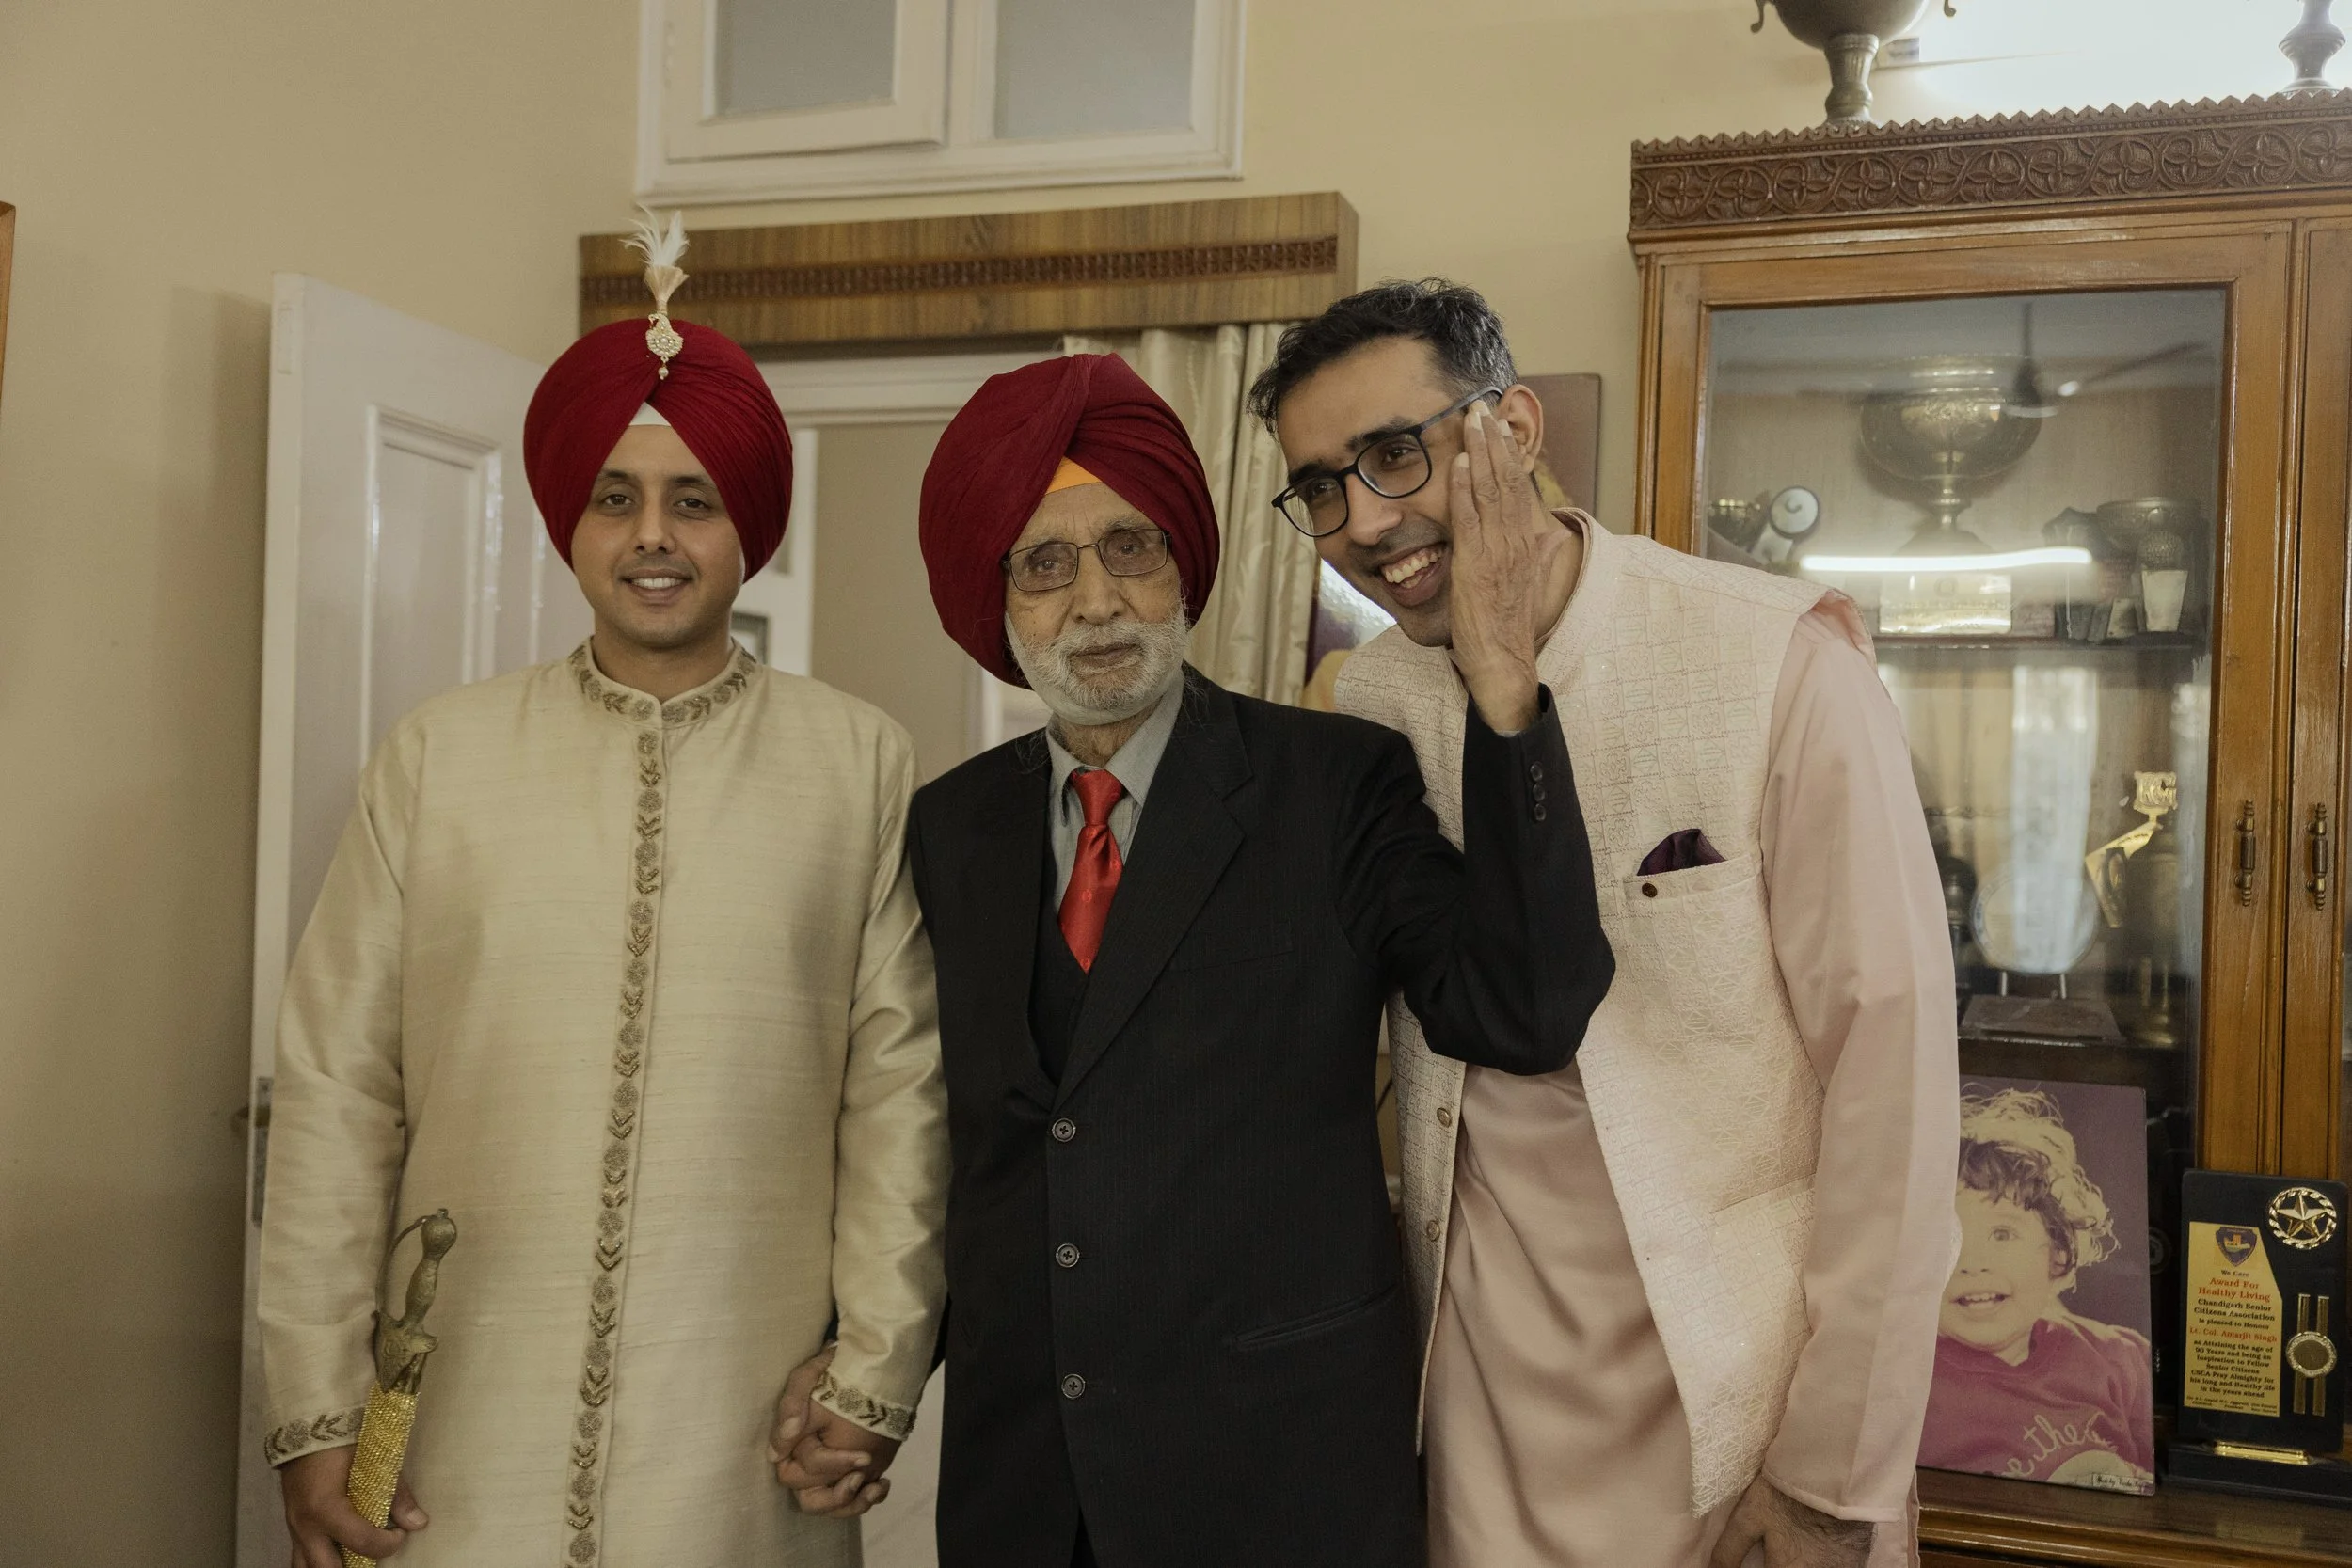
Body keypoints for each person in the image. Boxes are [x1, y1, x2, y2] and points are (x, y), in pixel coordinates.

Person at [769, 351, 1612, 1568]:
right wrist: (866, 1372)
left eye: (1131, 546)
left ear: (1186, 566)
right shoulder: (949, 828)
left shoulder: (1336, 784)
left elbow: (1525, 1010)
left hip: (1279, 1479)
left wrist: (1505, 695)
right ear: (995, 600)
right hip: (1022, 1488)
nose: (1097, 601)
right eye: (1045, 564)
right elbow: (950, 1144)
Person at [257, 228, 947, 1568]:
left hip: (739, 1414)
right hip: (450, 1412)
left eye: (694, 498)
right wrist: (313, 1406)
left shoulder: (855, 759)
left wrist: (874, 1367)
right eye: (615, 497)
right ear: (567, 516)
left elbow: (899, 1090)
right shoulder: (438, 755)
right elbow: (338, 1088)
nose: (652, 538)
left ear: (748, 519)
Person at [1250, 280, 1960, 1568]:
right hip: (1477, 1404)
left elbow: (1895, 1099)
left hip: (1744, 1402)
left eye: (1395, 453)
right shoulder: (1363, 703)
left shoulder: (1777, 663)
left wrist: (1830, 1473)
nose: (1364, 520)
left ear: (1513, 425)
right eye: (1320, 489)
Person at [1920, 1088, 2154, 1492]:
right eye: (1947, 1239)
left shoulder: (2120, 1358)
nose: (1973, 1262)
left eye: (2002, 1233)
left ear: (2058, 1253)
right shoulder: (1907, 1381)